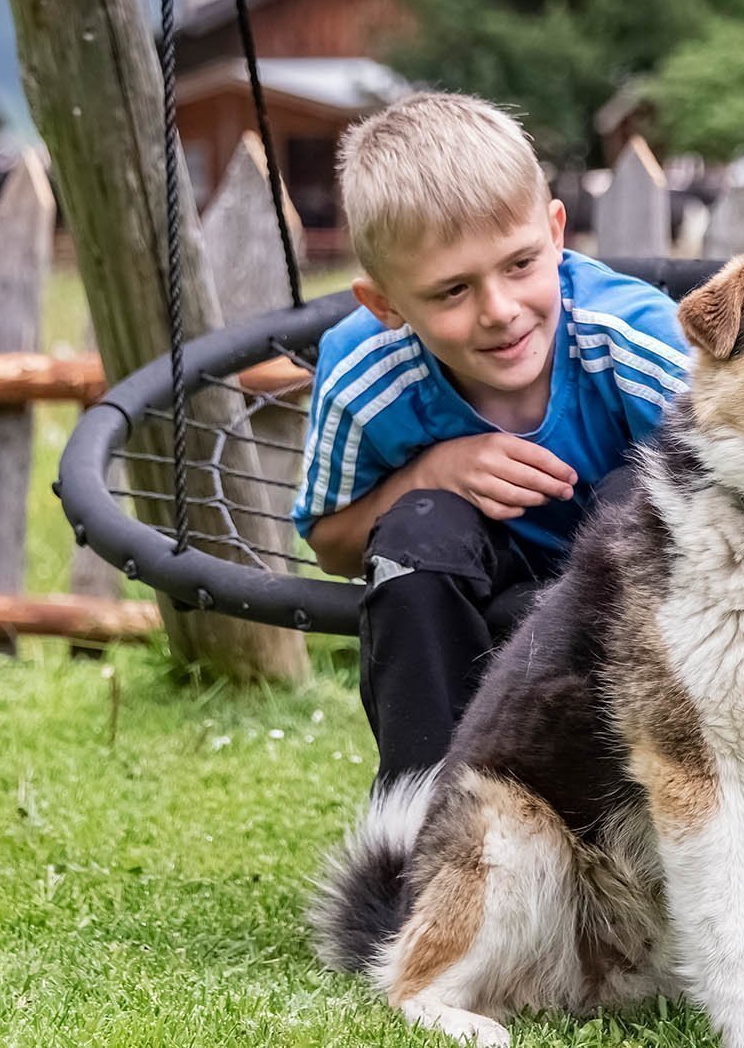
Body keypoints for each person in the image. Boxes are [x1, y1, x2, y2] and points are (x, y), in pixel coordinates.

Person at [292, 91, 691, 783]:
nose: (500, 312)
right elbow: (330, 542)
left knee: (647, 491)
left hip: (639, 604)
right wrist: (430, 474)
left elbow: (743, 493)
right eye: (451, 292)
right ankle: (418, 815)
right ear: (384, 304)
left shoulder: (634, 341)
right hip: (467, 588)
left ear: (557, 232)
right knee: (417, 525)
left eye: (520, 265)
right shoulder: (364, 372)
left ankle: (635, 800)